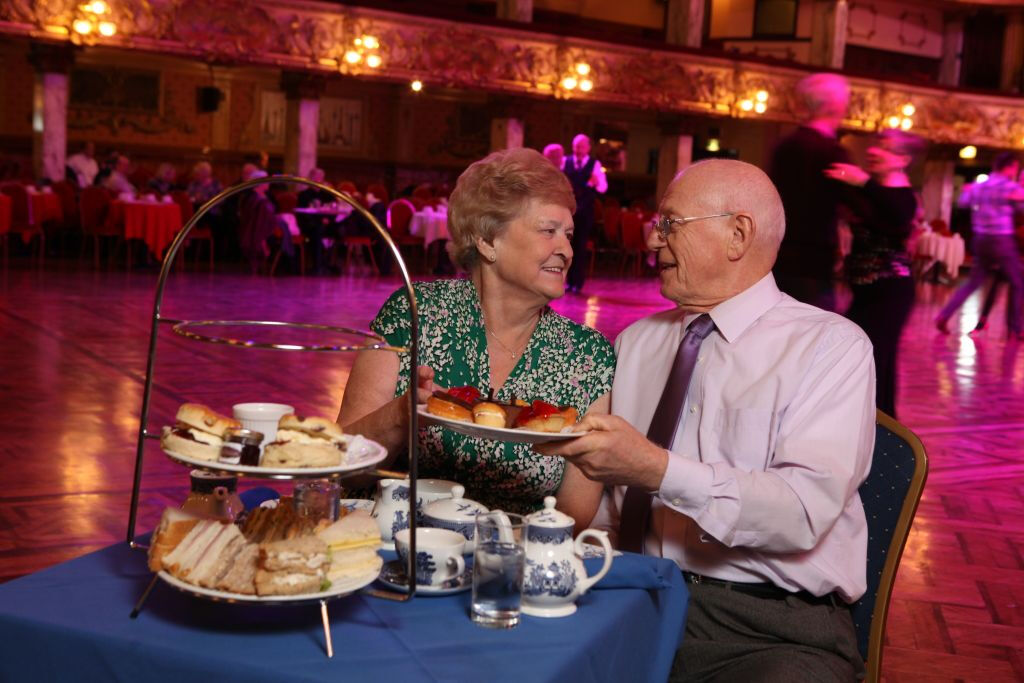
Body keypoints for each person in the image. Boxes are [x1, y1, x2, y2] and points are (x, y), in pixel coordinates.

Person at [541, 159, 874, 682]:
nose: (653, 240)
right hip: (633, 597)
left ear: (738, 234)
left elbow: (804, 510)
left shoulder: (830, 347)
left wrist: (657, 470)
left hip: (768, 628)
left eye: (670, 224)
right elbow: (606, 507)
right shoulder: (635, 343)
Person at [338, 147, 614, 518]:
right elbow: (341, 468)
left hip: (517, 558)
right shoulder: (414, 313)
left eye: (568, 234)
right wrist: (400, 416)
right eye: (548, 231)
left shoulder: (588, 355)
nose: (565, 249)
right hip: (403, 546)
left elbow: (575, 516)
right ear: (487, 241)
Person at [825, 130, 922, 418]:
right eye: (876, 145)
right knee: (856, 358)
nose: (875, 152)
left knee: (877, 363)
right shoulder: (873, 194)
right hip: (865, 294)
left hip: (889, 294)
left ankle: (884, 435)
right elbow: (867, 211)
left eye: (886, 148)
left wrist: (863, 182)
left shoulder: (903, 197)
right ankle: (863, 425)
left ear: (903, 159)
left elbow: (899, 214)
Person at [769, 73, 852, 312]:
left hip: (780, 253)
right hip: (815, 258)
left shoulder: (784, 146)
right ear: (832, 105)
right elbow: (853, 204)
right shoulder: (832, 153)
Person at [935, 152, 1024, 337]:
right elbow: (1021, 207)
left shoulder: (979, 186)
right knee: (1018, 282)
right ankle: (1017, 329)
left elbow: (963, 203)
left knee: (973, 282)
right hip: (1002, 240)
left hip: (981, 238)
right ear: (1011, 166)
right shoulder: (1009, 186)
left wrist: (970, 191)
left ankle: (944, 315)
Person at [563, 134, 607, 294]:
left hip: (585, 213)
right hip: (568, 213)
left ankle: (578, 283)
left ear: (588, 148)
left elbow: (603, 187)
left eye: (581, 146)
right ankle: (568, 282)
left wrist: (595, 182)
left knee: (580, 248)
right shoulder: (565, 162)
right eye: (576, 146)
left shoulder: (594, 165)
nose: (578, 149)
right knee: (567, 247)